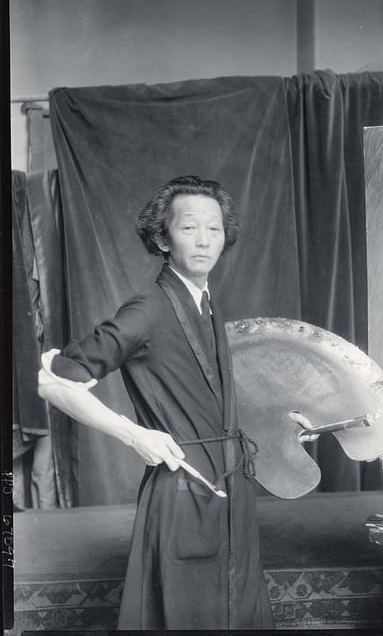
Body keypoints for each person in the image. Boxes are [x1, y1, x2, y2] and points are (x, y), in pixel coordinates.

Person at [37, 175, 316, 630]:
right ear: (163, 239)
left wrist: (279, 427)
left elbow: (207, 402)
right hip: (184, 495)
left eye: (214, 228)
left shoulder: (205, 302)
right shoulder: (147, 308)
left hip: (228, 495)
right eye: (189, 228)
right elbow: (53, 380)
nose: (204, 240)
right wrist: (133, 434)